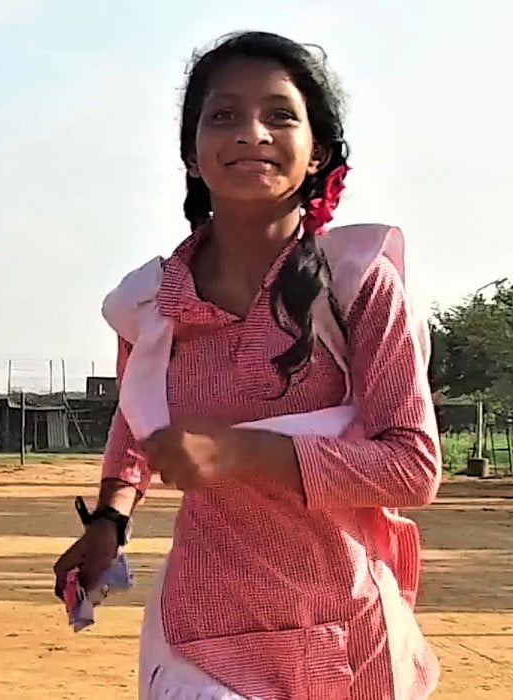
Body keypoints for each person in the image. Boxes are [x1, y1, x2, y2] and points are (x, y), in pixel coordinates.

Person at [52, 31, 442, 699]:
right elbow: (137, 421)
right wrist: (110, 519)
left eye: (280, 115)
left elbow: (412, 465)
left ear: (317, 150)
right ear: (192, 155)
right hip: (203, 642)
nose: (251, 133)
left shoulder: (359, 283)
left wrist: (241, 453)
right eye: (223, 116)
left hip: (344, 639)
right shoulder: (150, 304)